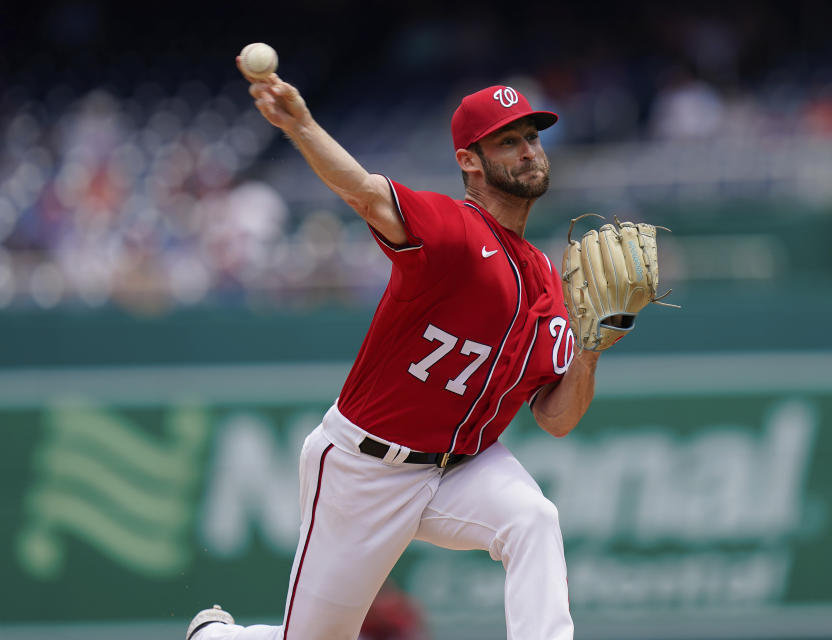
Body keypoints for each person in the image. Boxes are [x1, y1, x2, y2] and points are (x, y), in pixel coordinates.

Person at [184, 61, 606, 640]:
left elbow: (556, 419)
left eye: (532, 137)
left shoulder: (545, 280)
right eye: (507, 141)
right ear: (469, 161)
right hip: (366, 468)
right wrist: (302, 124)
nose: (528, 151)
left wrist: (592, 347)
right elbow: (363, 192)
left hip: (463, 465)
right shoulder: (454, 230)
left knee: (533, 519)